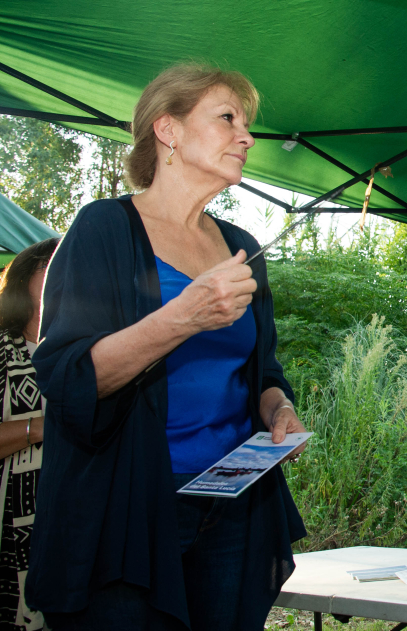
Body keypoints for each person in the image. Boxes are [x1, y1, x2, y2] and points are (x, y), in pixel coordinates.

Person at [24, 64, 306, 630]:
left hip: (233, 502)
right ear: (168, 131)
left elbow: (262, 367)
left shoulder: (241, 245)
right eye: (227, 118)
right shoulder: (104, 228)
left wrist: (279, 409)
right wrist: (182, 317)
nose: (247, 137)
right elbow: (70, 376)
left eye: (247, 124)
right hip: (127, 511)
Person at [0, 238, 58, 631]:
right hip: (11, 530)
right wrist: (38, 427)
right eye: (52, 265)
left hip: (69, 527)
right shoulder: (3, 348)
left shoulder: (87, 349)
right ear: (26, 276)